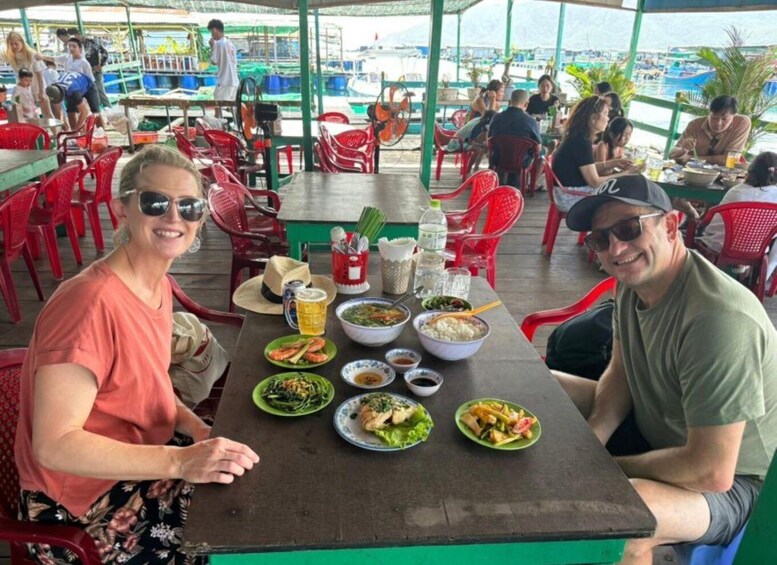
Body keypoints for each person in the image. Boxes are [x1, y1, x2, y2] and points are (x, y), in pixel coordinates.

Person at [15, 145, 260, 565]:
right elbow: (54, 446)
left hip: (147, 456)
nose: (173, 217)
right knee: (236, 532)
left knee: (252, 475)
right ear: (121, 209)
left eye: (189, 206)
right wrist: (181, 461)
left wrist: (196, 428)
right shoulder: (88, 303)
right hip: (82, 506)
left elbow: (149, 386)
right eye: (155, 203)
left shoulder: (155, 285)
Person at [556, 174, 776, 564]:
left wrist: (604, 467)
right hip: (661, 428)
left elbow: (712, 470)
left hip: (738, 481)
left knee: (625, 520)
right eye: (601, 239)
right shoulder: (631, 284)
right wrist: (594, 438)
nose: (616, 248)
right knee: (547, 387)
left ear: (671, 226)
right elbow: (621, 374)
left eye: (629, 228)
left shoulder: (718, 318)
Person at [698, 151, 777, 281]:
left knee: (701, 226)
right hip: (755, 250)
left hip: (719, 245)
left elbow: (712, 222)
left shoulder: (736, 191)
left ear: (751, 170)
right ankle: (745, 272)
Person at [550, 96, 637, 212]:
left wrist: (614, 163)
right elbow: (594, 182)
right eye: (605, 114)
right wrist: (626, 174)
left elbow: (587, 167)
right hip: (571, 197)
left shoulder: (578, 137)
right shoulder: (581, 142)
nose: (608, 118)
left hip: (565, 192)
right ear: (593, 118)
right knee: (623, 198)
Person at [669, 95, 751, 167]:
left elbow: (729, 160)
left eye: (724, 119)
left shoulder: (741, 122)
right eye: (714, 117)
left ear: (734, 116)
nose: (718, 123)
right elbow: (671, 155)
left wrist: (691, 158)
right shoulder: (694, 125)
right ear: (709, 113)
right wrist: (682, 150)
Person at [2, 31, 53, 119]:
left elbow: (39, 75)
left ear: (22, 42)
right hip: (22, 91)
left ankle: (57, 128)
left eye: (16, 44)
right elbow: (16, 99)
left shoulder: (32, 54)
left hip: (37, 88)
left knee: (47, 114)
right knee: (27, 115)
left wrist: (41, 92)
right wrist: (17, 102)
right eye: (11, 44)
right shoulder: (9, 55)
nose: (14, 47)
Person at [56, 27, 110, 109]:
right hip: (82, 75)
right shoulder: (73, 46)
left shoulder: (91, 42)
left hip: (94, 72)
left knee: (99, 91)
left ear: (77, 35)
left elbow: (104, 53)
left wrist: (101, 65)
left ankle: (107, 108)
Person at [207, 19, 238, 119]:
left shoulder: (218, 44)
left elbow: (214, 61)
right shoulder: (230, 44)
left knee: (218, 106)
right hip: (234, 81)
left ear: (215, 30)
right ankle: (237, 125)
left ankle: (219, 125)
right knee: (233, 108)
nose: (212, 35)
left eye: (211, 32)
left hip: (224, 80)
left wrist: (212, 47)